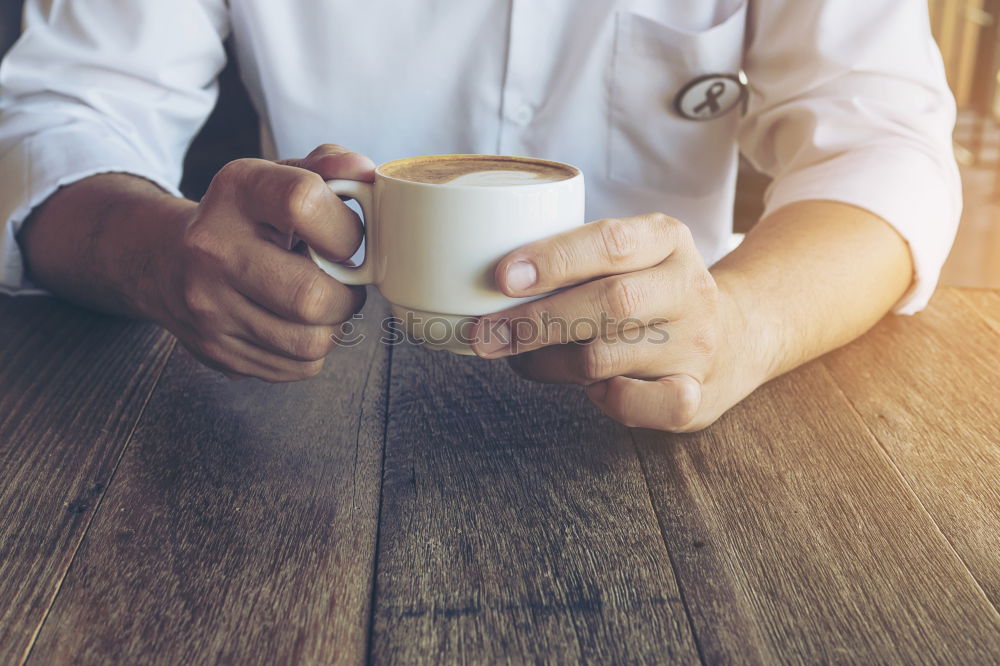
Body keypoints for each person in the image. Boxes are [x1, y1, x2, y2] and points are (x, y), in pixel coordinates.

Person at [0, 1, 960, 432]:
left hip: (653, 409)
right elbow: (57, 111)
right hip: (304, 406)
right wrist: (153, 251)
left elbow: (886, 145)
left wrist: (745, 322)